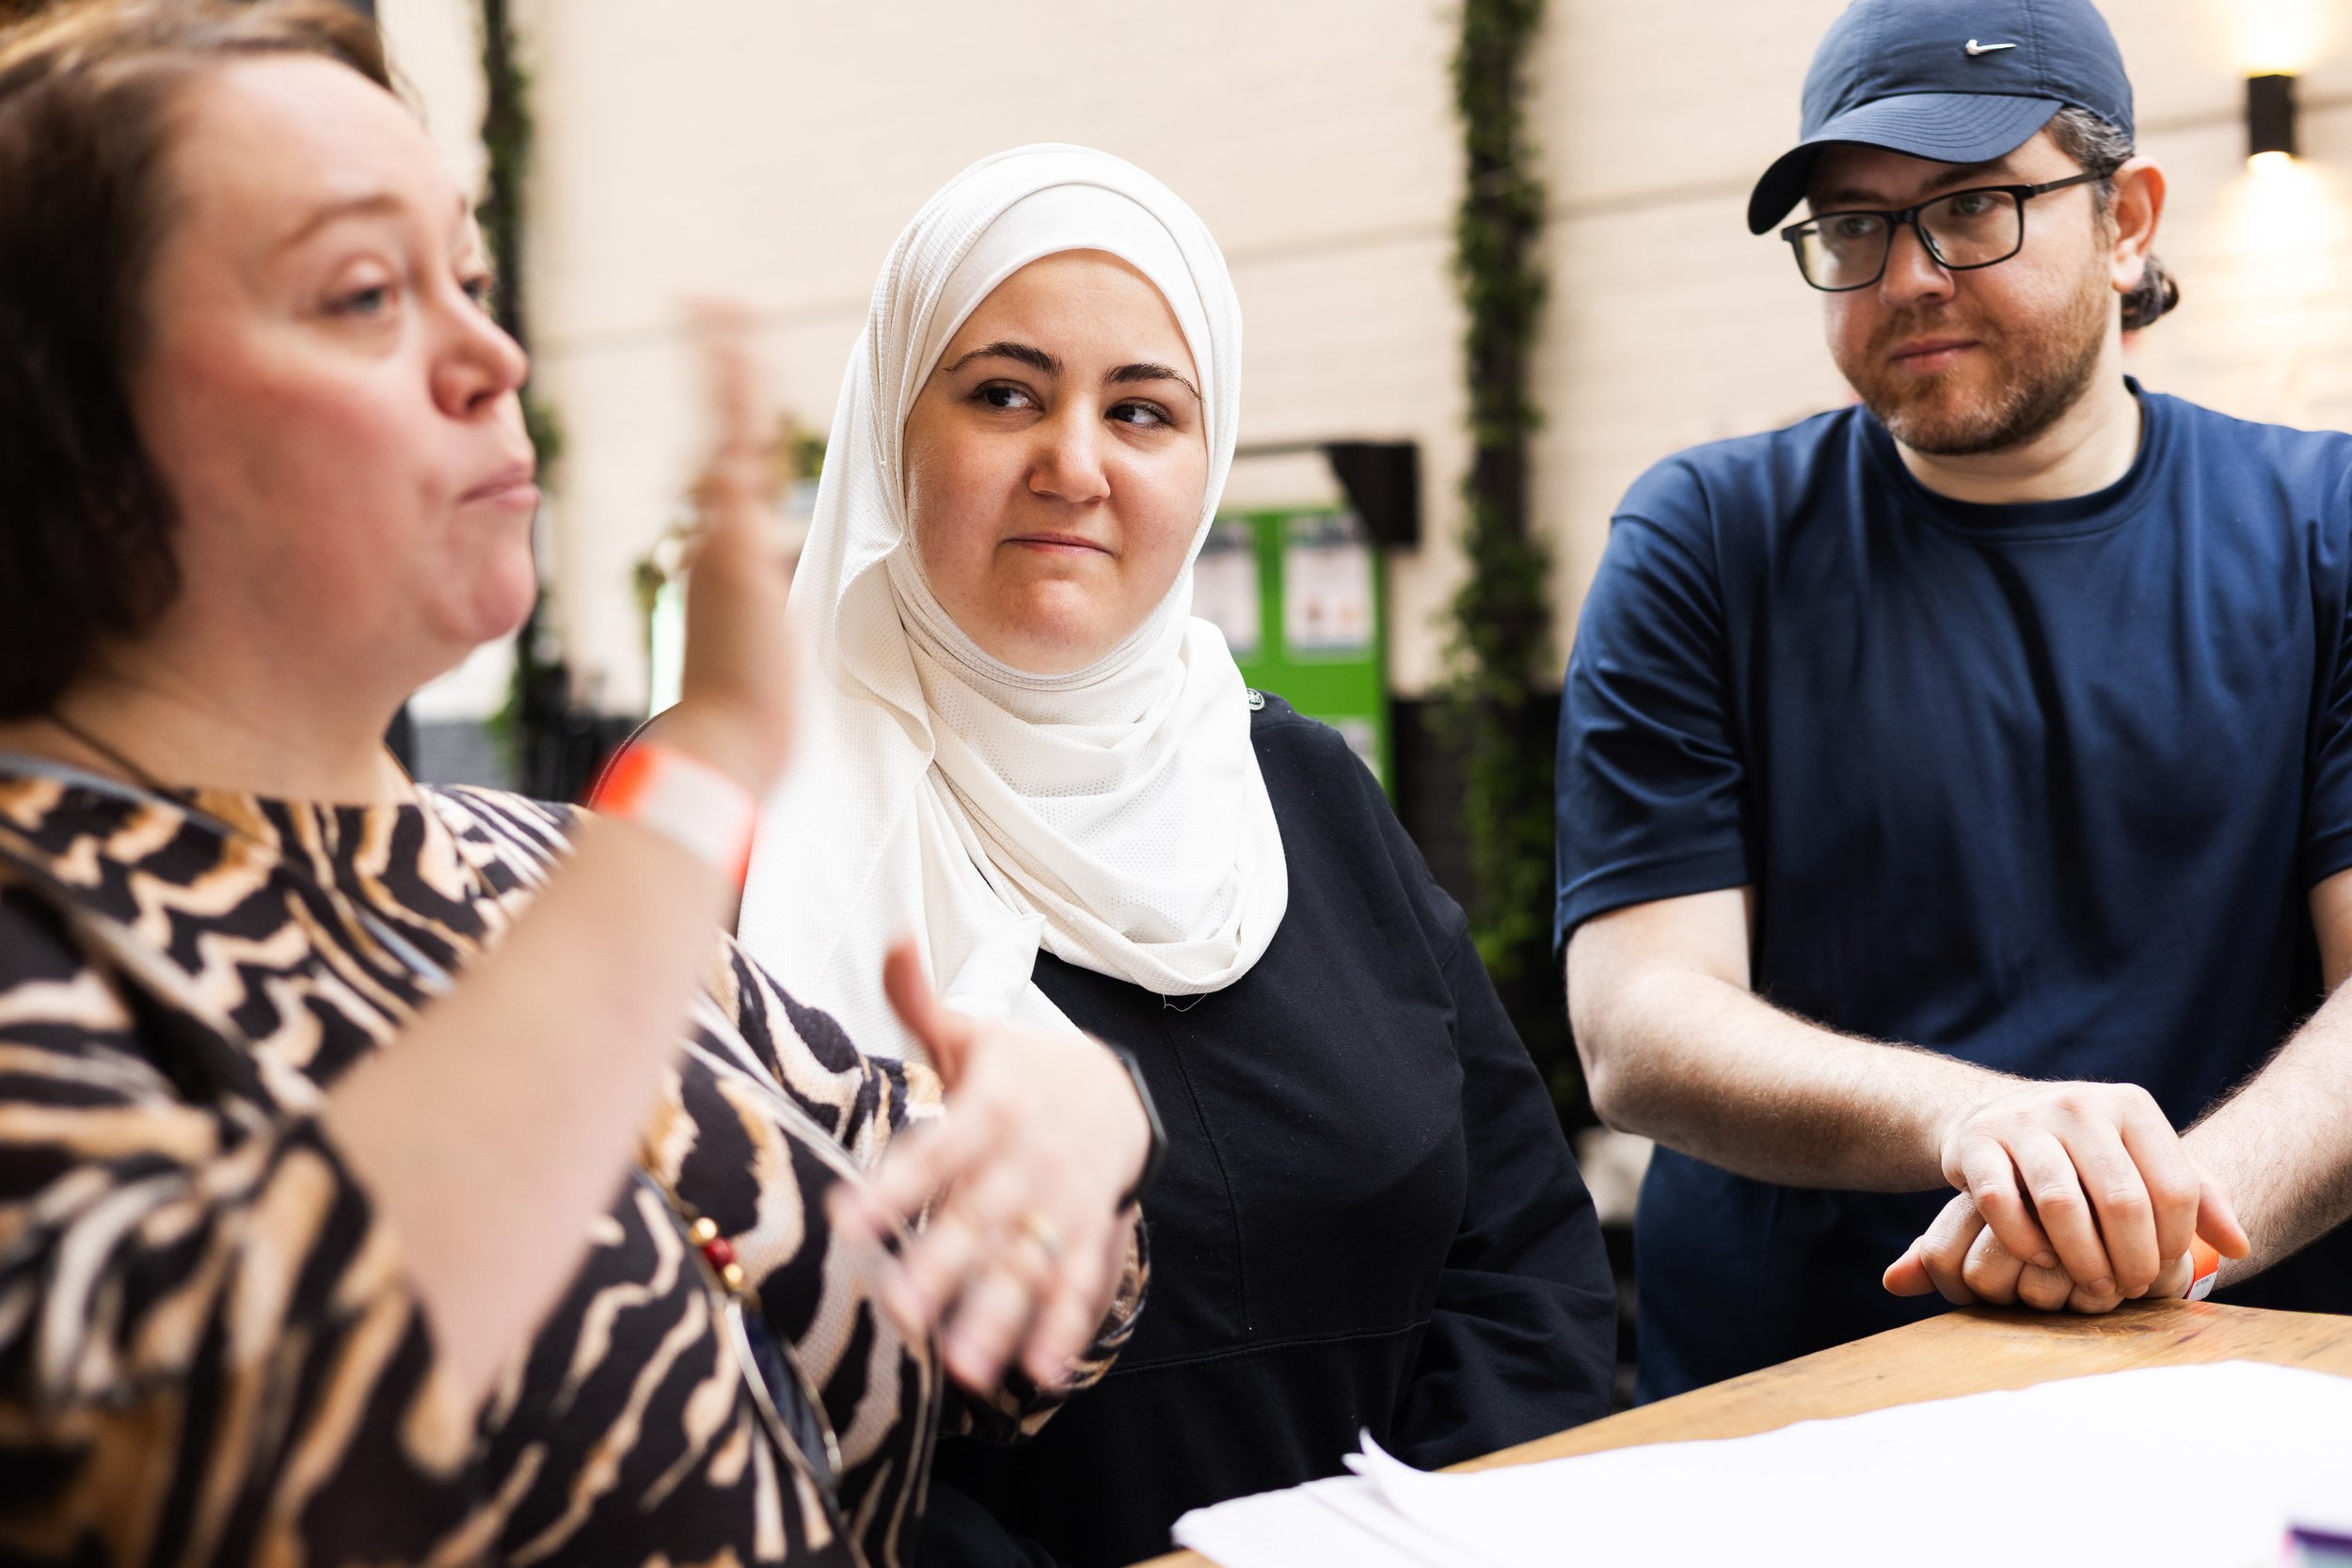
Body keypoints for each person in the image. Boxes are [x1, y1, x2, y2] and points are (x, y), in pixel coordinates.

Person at [0, 5, 1161, 1562]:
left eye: (468, 280)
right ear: (65, 420)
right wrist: (702, 790)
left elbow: (1017, 1340)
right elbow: (210, 1452)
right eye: (363, 292)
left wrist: (1081, 1123)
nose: (493, 357)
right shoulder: (49, 928)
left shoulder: (532, 867)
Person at [735, 145, 1617, 1567]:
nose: (1073, 464)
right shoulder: (739, 818)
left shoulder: (1303, 790)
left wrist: (1439, 1525)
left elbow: (1523, 1255)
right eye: (1005, 392)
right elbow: (730, 1380)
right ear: (895, 425)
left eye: (1141, 411)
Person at [1556, 0, 2352, 1402]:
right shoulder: (1707, 540)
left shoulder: (2324, 529)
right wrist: (1981, 1124)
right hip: (1797, 1400)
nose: (1908, 275)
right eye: (1854, 227)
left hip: (2240, 1379)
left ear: (2128, 221)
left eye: (1974, 206)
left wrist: (2157, 1224)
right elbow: (1639, 1026)